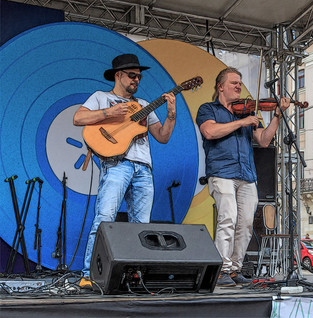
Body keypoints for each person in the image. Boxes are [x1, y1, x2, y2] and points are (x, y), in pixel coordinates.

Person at [73, 54, 176, 283]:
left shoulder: (144, 105)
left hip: (144, 169)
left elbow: (162, 136)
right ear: (118, 75)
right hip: (116, 164)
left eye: (139, 76)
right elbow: (78, 118)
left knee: (141, 226)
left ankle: (134, 276)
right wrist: (108, 113)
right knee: (105, 219)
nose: (137, 80)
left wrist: (171, 115)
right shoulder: (101, 97)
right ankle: (88, 276)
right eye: (132, 75)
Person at [196, 67, 290, 286]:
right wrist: (241, 122)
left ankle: (235, 268)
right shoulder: (208, 109)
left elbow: (264, 140)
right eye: (233, 83)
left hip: (247, 174)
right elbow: (210, 132)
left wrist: (277, 115)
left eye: (240, 83)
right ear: (220, 86)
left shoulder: (247, 113)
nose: (239, 86)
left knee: (246, 224)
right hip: (222, 172)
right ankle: (221, 270)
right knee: (227, 218)